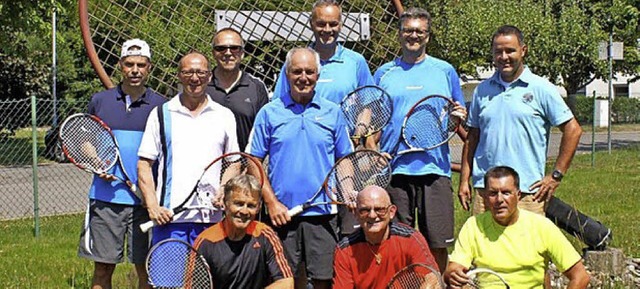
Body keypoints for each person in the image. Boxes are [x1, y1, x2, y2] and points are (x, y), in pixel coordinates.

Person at [248, 47, 353, 289]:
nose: (303, 77)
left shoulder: (332, 112)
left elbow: (344, 159)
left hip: (323, 213)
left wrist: (347, 190)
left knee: (325, 281)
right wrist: (272, 203)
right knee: (285, 282)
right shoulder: (269, 112)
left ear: (318, 74)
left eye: (309, 71)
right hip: (282, 215)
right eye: (297, 71)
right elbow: (254, 161)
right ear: (287, 74)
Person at [374, 7, 466, 273]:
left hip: (434, 169)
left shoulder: (445, 71)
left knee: (436, 243)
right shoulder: (383, 73)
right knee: (397, 242)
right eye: (408, 31)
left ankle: (433, 282)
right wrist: (372, 149)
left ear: (428, 35)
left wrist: (457, 118)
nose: (413, 36)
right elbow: (374, 120)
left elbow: (453, 115)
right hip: (394, 171)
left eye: (419, 31)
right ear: (399, 34)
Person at [458, 25, 583, 215]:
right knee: (485, 244)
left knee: (527, 245)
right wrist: (464, 180)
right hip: (487, 191)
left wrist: (556, 176)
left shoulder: (541, 88)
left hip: (527, 192)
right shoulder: (481, 91)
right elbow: (472, 138)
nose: (504, 57)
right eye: (498, 51)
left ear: (523, 51)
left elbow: (573, 130)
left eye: (510, 50)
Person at [77, 39, 166, 289]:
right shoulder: (100, 101)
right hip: (106, 200)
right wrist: (96, 162)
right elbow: (84, 139)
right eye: (129, 64)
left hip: (146, 202)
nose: (135, 70)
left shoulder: (162, 106)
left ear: (149, 68)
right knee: (103, 269)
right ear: (120, 66)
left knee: (146, 269)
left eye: (140, 65)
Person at [137, 51, 239, 245]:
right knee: (168, 277)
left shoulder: (224, 115)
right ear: (179, 76)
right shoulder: (161, 113)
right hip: (170, 219)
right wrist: (153, 206)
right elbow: (144, 164)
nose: (194, 78)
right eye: (188, 73)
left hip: (211, 220)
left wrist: (224, 188)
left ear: (209, 76)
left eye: (201, 73)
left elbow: (233, 163)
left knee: (208, 277)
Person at [444, 166, 590, 289]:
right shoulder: (473, 226)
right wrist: (453, 275)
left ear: (518, 195)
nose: (499, 200)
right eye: (493, 193)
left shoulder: (541, 227)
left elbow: (580, 276)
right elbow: (454, 269)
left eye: (506, 193)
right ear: (485, 197)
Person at [193, 175, 294, 289]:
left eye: (251, 206)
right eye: (238, 204)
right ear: (225, 203)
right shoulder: (206, 241)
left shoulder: (266, 234)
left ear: (258, 208)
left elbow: (287, 283)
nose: (244, 211)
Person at [333, 185, 438, 289]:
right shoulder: (345, 250)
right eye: (365, 210)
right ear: (356, 213)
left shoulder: (411, 239)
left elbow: (432, 278)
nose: (372, 215)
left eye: (379, 209)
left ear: (391, 212)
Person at [272, 0, 374, 105]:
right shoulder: (295, 62)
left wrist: (362, 122)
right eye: (321, 24)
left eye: (333, 24)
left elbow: (368, 104)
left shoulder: (356, 62)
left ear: (340, 25)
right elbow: (279, 104)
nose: (327, 29)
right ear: (311, 24)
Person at [206, 27, 269, 151]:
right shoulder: (202, 87)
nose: (228, 53)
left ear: (242, 53)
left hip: (246, 166)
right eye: (221, 48)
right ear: (213, 53)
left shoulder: (256, 88)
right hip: (208, 166)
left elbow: (264, 132)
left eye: (234, 48)